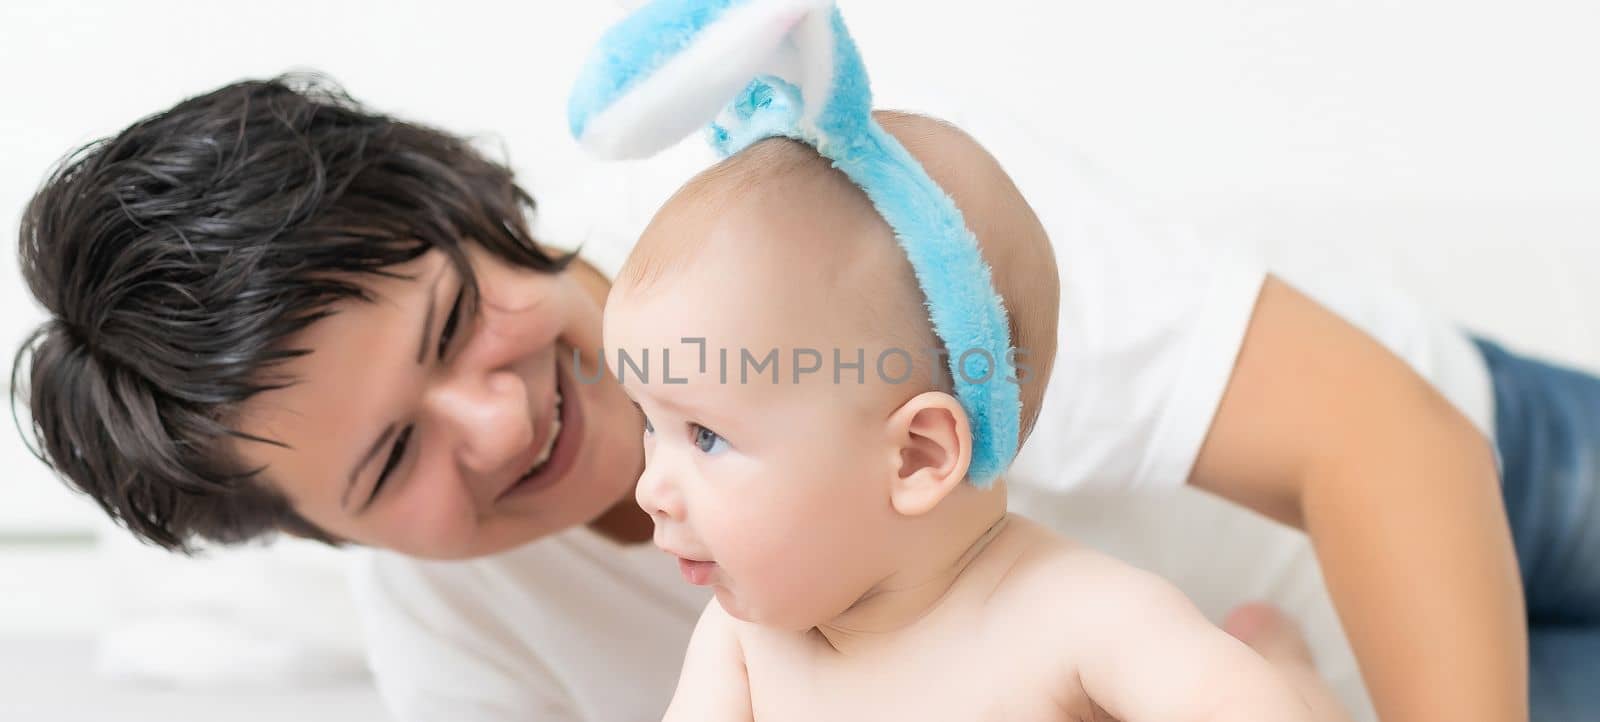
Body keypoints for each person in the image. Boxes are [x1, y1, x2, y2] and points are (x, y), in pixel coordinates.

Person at [12, 74, 1596, 721]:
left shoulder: (830, 234)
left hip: (1468, 487)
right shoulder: (458, 634)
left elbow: (1385, 442)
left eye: (450, 323)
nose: (495, 424)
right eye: (388, 459)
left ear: (477, 202)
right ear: (323, 530)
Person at [604, 113, 1338, 721]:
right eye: (650, 423)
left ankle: (1279, 656)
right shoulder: (742, 646)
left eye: (705, 435)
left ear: (917, 457)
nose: (649, 488)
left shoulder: (1078, 616)